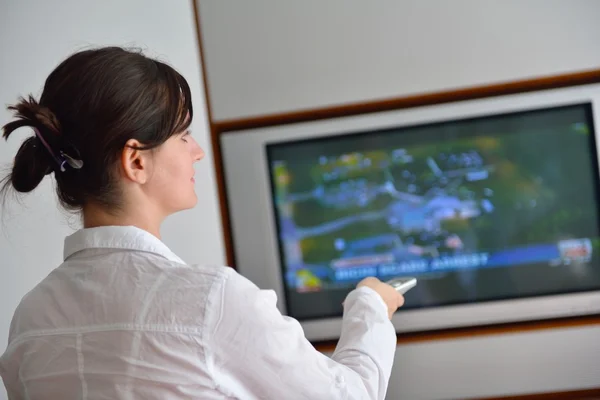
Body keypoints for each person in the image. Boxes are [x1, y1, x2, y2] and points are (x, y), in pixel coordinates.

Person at [0, 47, 404, 399]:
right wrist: (370, 306)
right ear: (136, 161)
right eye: (183, 134)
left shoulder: (31, 318)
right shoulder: (211, 301)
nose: (197, 152)